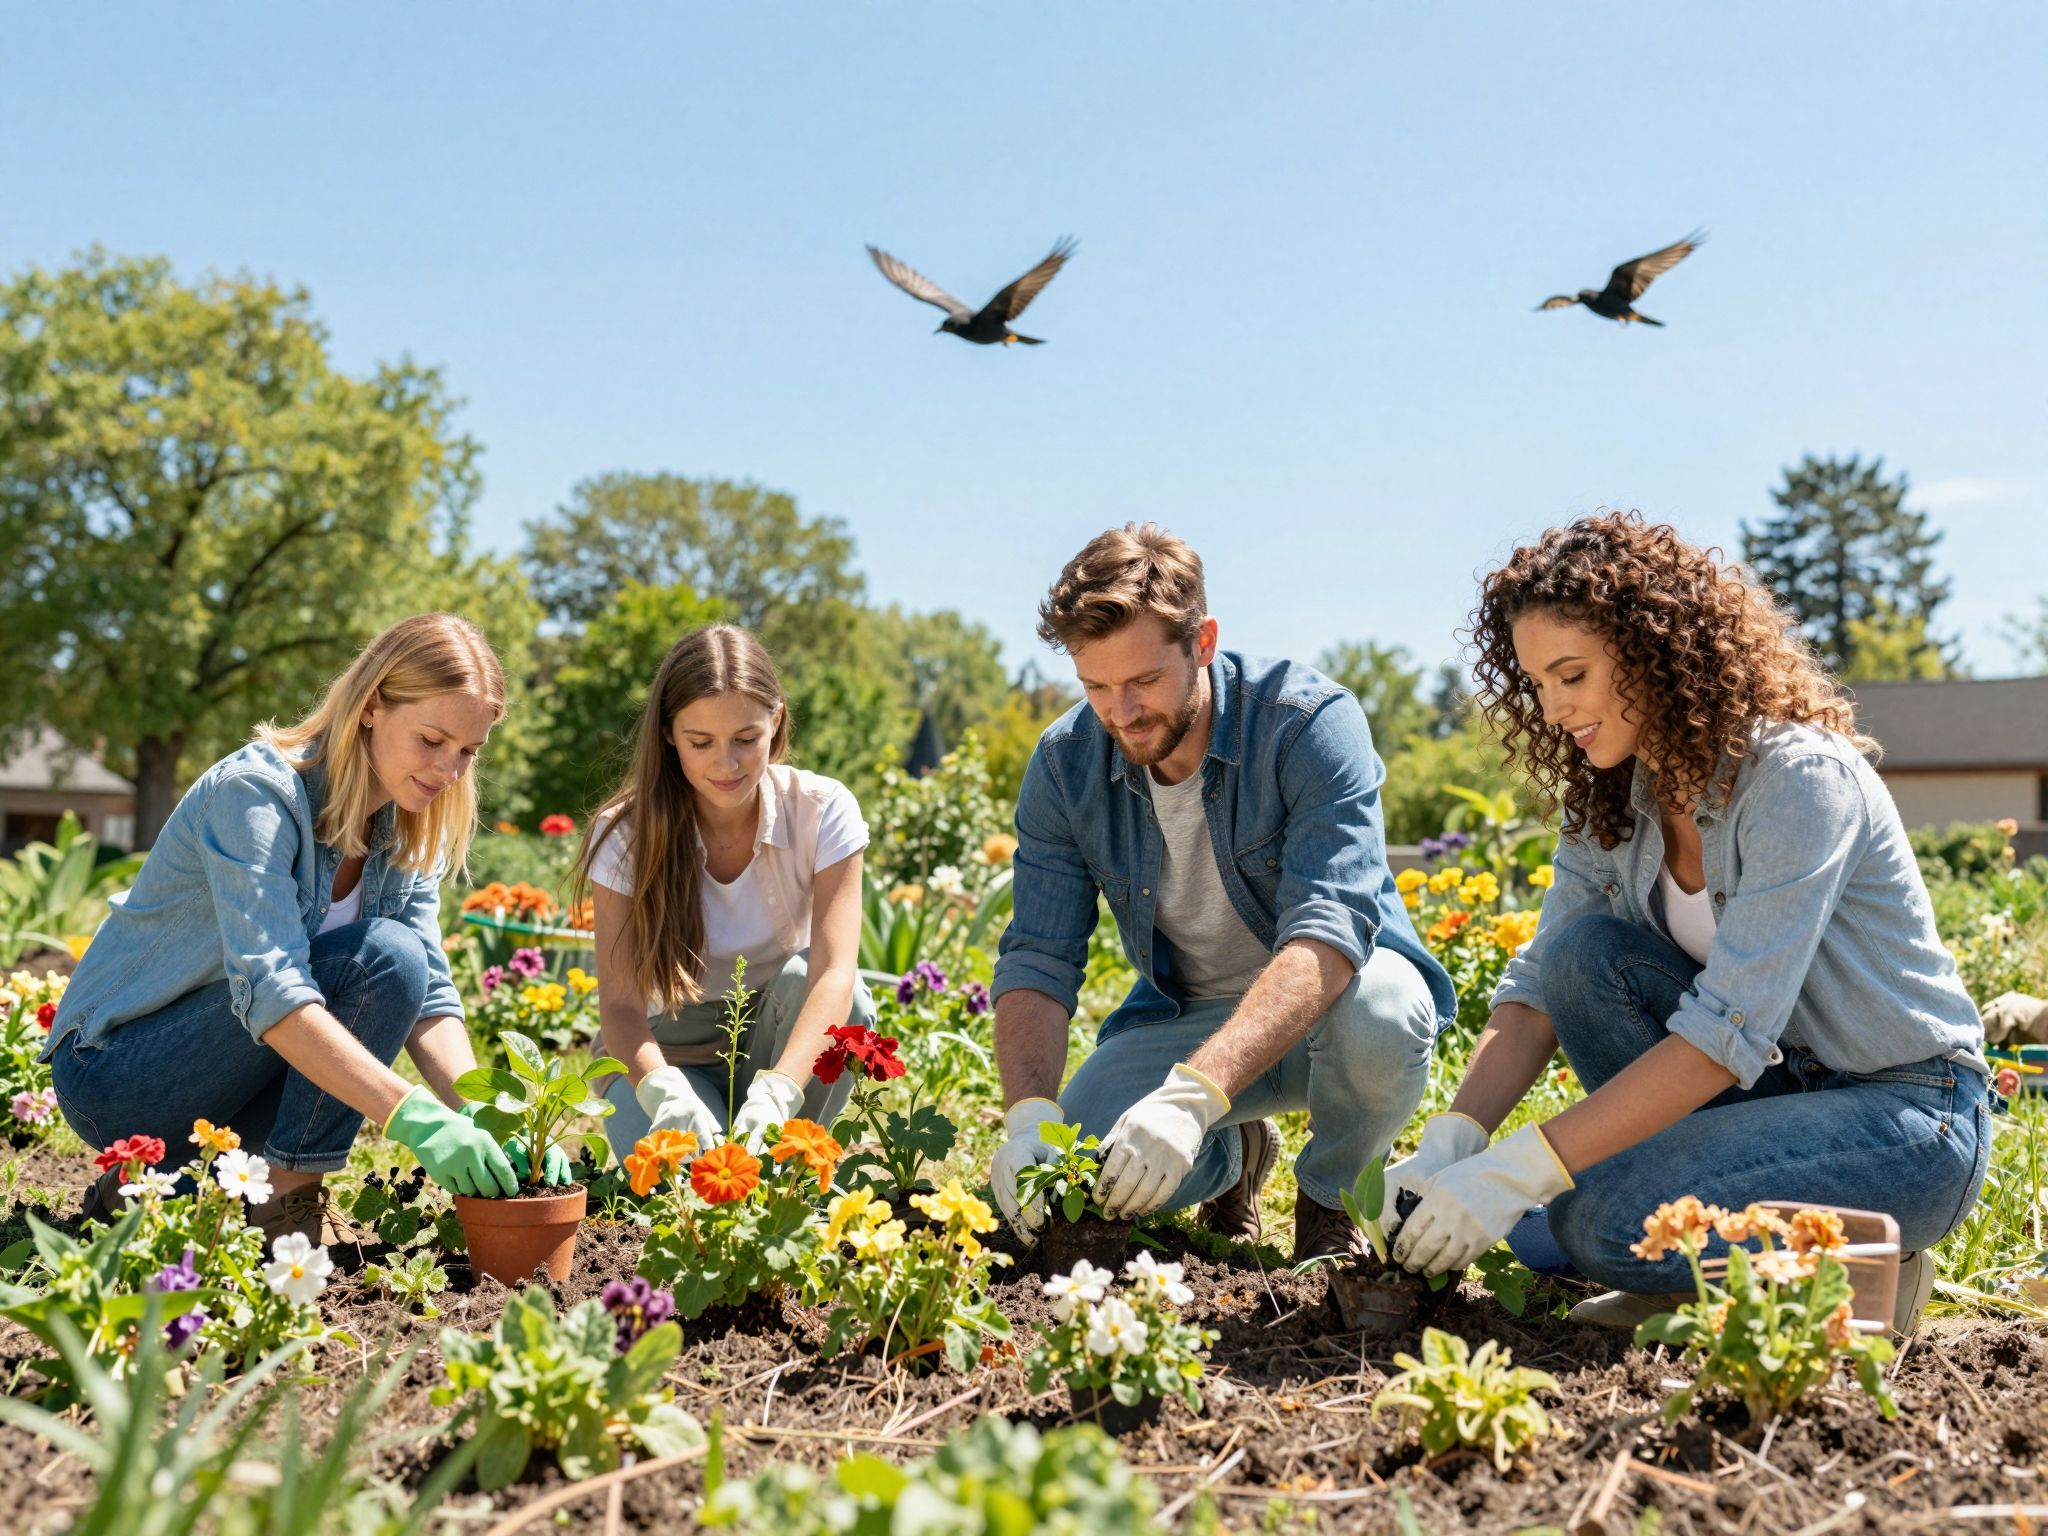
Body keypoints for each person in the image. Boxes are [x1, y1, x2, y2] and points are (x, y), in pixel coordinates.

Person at [1387, 513, 1991, 1334]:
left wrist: (1520, 1170)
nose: (1555, 707)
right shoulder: (1610, 797)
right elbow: (1535, 987)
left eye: (1573, 674)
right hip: (1771, 1094)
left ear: (1652, 653)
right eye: (1537, 684)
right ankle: (1714, 1270)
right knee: (1580, 960)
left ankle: (1859, 1273)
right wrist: (1455, 1140)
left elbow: (1722, 1035)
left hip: (1908, 1116)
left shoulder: (1796, 780)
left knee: (1590, 1219)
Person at [988, 523, 1456, 1260]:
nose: (1121, 712)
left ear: (1202, 642)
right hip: (1186, 1020)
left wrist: (1191, 1097)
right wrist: (1028, 1122)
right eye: (1097, 686)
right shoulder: (1064, 765)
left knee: (1387, 1012)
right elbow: (1038, 958)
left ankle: (1330, 1197)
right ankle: (1231, 1159)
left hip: (1334, 1010)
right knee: (1069, 1177)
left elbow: (1328, 935)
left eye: (1142, 681)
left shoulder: (1307, 725)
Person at [46, 613, 558, 1247]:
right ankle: (252, 1195)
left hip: (229, 1076)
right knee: (380, 956)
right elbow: (273, 990)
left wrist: (484, 1112)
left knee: (399, 963)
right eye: (432, 739)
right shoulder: (256, 795)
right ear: (373, 706)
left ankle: (184, 1187)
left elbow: (428, 996)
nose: (448, 770)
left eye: (467, 752)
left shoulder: (402, 824)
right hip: (117, 1073)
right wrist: (414, 1117)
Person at [577, 623, 873, 1158]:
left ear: (775, 720)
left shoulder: (823, 809)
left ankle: (788, 1162)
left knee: (839, 995)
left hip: (777, 1042)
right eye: (701, 743)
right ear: (669, 734)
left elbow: (834, 975)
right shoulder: (625, 833)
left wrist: (782, 1089)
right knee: (692, 1191)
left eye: (746, 739)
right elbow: (620, 1006)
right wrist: (660, 1090)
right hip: (663, 1054)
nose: (726, 764)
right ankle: (729, 1141)